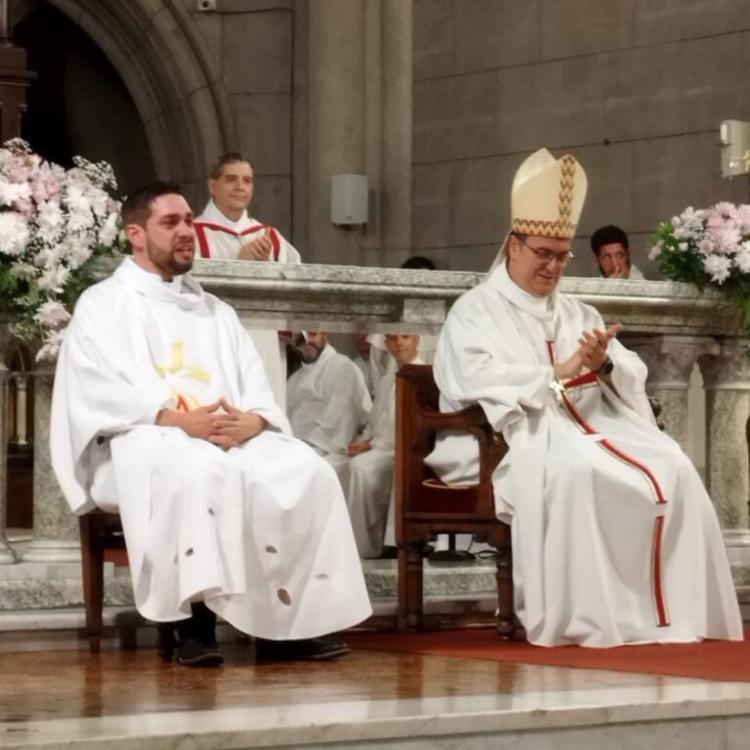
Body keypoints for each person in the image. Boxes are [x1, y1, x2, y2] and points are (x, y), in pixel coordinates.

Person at [426, 148, 742, 648]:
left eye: (562, 255)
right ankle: (594, 619)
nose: (553, 267)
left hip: (594, 426)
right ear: (513, 245)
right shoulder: (476, 311)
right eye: (543, 254)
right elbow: (472, 377)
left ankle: (669, 616)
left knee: (674, 466)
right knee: (577, 474)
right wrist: (558, 371)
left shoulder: (576, 311)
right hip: (516, 435)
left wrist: (605, 364)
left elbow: (628, 369)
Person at [51, 182, 372, 667]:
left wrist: (255, 420)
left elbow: (254, 381)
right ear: (136, 234)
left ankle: (289, 624)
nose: (187, 232)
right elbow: (94, 388)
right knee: (195, 468)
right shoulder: (103, 304)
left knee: (308, 471)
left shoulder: (215, 310)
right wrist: (178, 420)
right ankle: (190, 626)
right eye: (171, 223)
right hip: (138, 441)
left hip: (225, 436)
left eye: (188, 222)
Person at [194, 152, 300, 410]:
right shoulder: (193, 234)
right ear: (212, 185)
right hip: (213, 341)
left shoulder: (270, 236)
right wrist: (238, 265)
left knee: (263, 411)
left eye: (247, 181)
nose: (240, 187)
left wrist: (267, 269)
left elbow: (298, 285)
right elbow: (184, 288)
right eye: (231, 179)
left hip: (262, 339)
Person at [344, 334, 422, 558]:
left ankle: (363, 548)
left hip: (404, 451)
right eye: (393, 338)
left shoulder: (425, 376)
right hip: (380, 449)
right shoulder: (387, 381)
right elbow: (376, 421)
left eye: (405, 337)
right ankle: (363, 542)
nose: (399, 343)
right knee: (346, 465)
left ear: (417, 340)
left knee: (360, 469)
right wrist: (365, 443)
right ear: (386, 344)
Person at [287, 331, 372, 474]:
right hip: (296, 445)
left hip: (329, 448)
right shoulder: (295, 378)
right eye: (300, 338)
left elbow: (338, 429)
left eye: (312, 335)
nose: (307, 342)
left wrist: (300, 446)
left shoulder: (344, 368)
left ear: (325, 335)